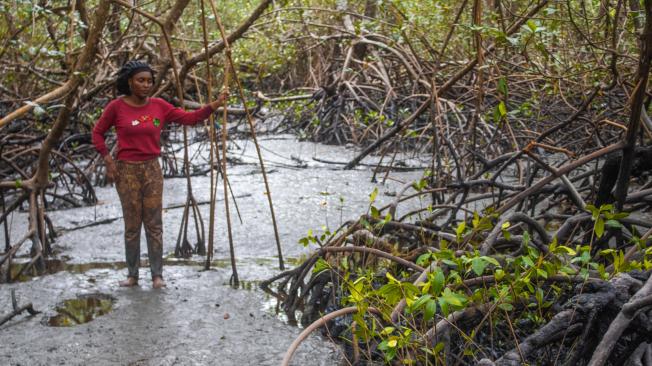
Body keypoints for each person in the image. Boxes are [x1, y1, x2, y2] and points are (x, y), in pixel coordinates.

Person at [92, 60, 228, 289]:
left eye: (149, 81)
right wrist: (108, 160)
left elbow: (189, 118)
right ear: (130, 82)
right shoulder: (117, 107)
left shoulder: (159, 106)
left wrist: (214, 105)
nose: (146, 85)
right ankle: (133, 275)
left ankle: (157, 276)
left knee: (154, 224)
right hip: (126, 170)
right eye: (141, 80)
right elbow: (97, 133)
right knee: (132, 225)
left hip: (152, 169)